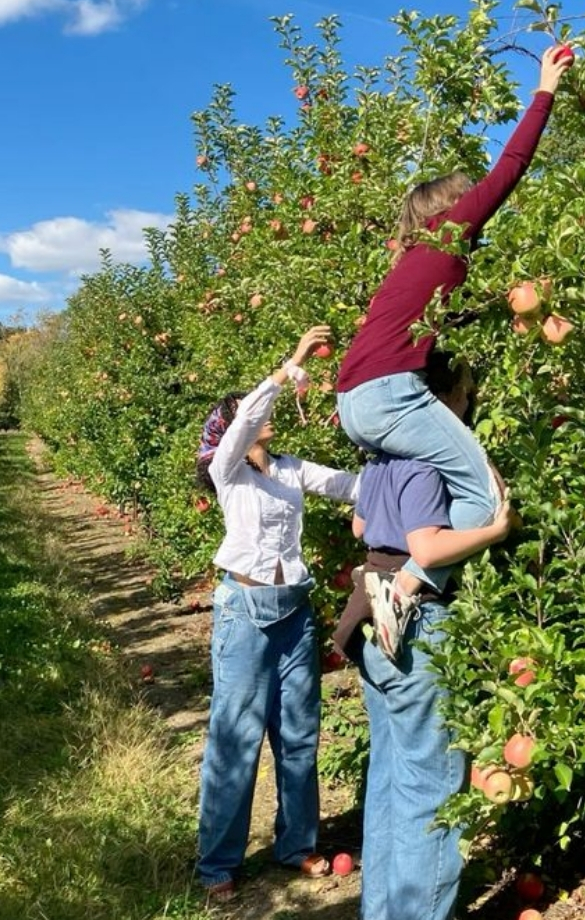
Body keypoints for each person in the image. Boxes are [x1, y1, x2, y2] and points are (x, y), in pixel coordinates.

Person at [335, 45, 571, 660]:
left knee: (434, 479)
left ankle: (392, 578)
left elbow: (435, 322)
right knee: (487, 496)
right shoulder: (451, 233)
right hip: (391, 395)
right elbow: (510, 168)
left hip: (354, 400)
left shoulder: (412, 265)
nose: (477, 212)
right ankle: (409, 581)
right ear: (448, 209)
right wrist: (544, 89)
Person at [332, 355, 513, 920]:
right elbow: (429, 548)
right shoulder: (428, 464)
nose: (469, 404)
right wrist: (494, 529)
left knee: (389, 780)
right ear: (445, 399)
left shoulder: (380, 462)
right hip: (416, 625)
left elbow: (361, 527)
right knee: (430, 791)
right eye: (466, 393)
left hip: (371, 620)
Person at [195, 325, 361, 901]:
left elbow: (346, 486)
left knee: (299, 734)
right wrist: (286, 365)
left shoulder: (289, 469)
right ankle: (218, 861)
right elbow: (242, 423)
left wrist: (408, 476)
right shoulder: (228, 472)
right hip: (244, 612)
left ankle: (296, 843)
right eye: (243, 410)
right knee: (236, 735)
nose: (258, 415)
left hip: (293, 611)